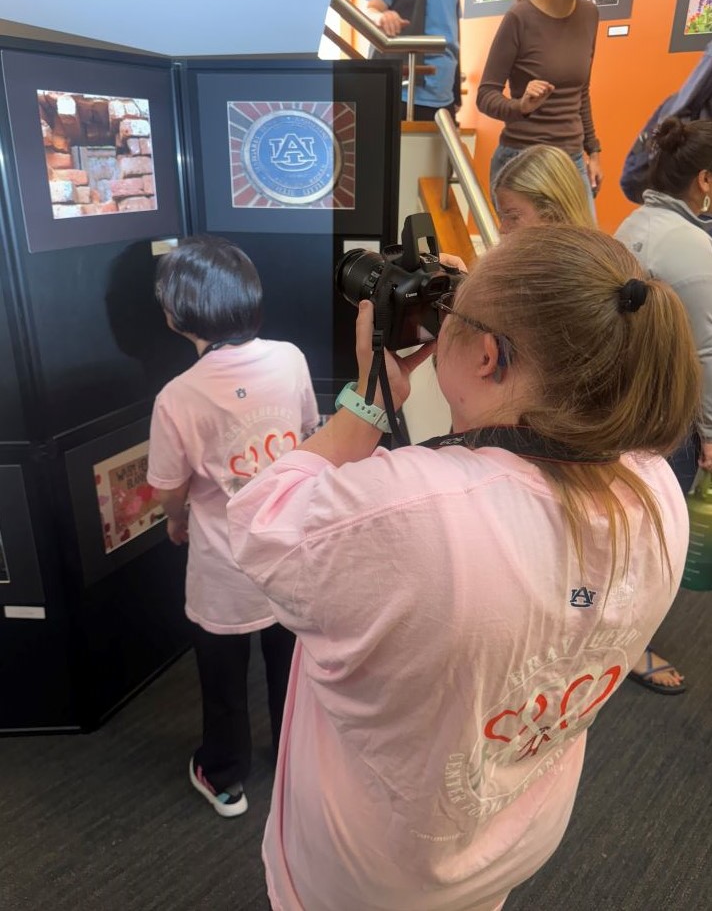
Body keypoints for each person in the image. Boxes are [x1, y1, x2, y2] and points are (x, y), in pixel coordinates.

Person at [227, 225, 699, 909]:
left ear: (487, 356)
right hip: (511, 835)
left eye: (453, 313)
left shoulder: (410, 512)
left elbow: (258, 522)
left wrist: (367, 401)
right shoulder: (656, 493)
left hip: (371, 869)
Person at [493, 144, 686, 695]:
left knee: (591, 560)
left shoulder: (586, 285)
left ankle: (618, 640)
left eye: (513, 217)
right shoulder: (550, 269)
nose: (505, 230)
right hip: (555, 446)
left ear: (551, 213)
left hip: (579, 448)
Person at [147, 236, 319, 818]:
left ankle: (224, 776)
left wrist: (175, 524)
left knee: (222, 679)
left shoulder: (178, 397)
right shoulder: (292, 357)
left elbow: (169, 489)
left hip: (224, 565)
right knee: (290, 667)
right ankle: (298, 759)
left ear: (178, 314)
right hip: (289, 554)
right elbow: (307, 432)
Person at [616, 116, 712, 679]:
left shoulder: (635, 223)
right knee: (654, 545)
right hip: (666, 422)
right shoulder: (691, 248)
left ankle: (618, 639)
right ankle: (632, 650)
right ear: (703, 179)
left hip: (630, 409)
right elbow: (706, 354)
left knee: (633, 537)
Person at [476, 0, 603, 203]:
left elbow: (581, 92)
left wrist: (594, 152)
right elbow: (485, 95)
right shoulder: (519, 18)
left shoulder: (590, 14)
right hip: (523, 159)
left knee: (581, 240)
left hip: (571, 160)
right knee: (533, 242)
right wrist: (520, 107)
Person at [365, 0, 461, 120]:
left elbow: (453, 29)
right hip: (401, 92)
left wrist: (456, 92)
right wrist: (382, 17)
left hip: (444, 95)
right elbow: (371, 10)